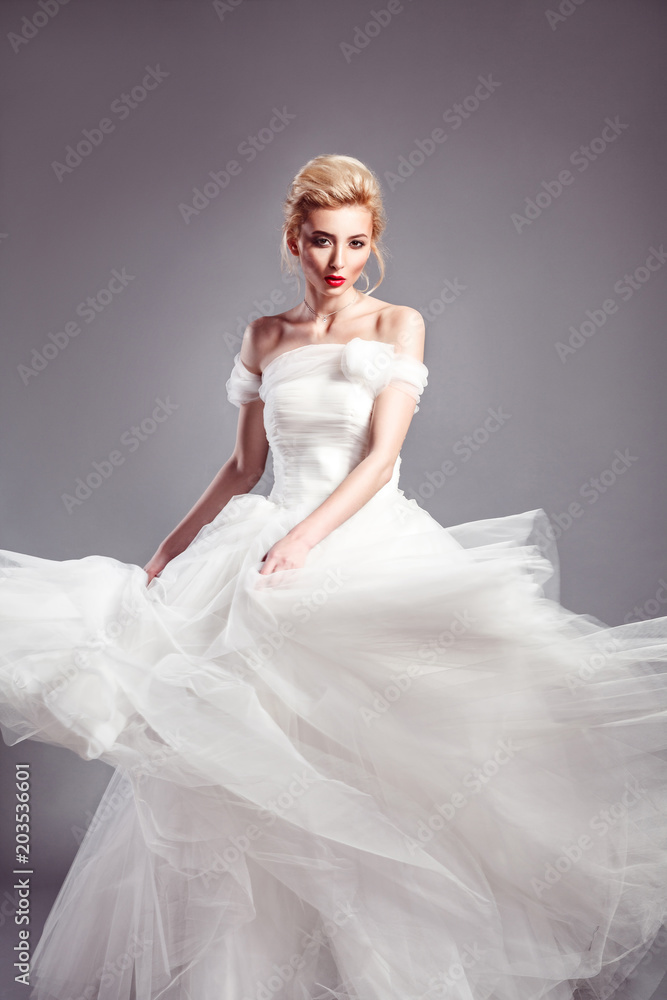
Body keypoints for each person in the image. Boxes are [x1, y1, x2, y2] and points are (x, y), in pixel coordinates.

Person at [1, 153, 666, 1000]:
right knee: (245, 761)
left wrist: (305, 539)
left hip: (361, 540)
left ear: (372, 241)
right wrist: (168, 552)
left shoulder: (398, 325)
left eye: (355, 242)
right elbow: (243, 468)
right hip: (266, 538)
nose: (338, 259)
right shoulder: (264, 336)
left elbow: (381, 457)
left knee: (384, 754)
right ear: (294, 241)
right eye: (321, 241)